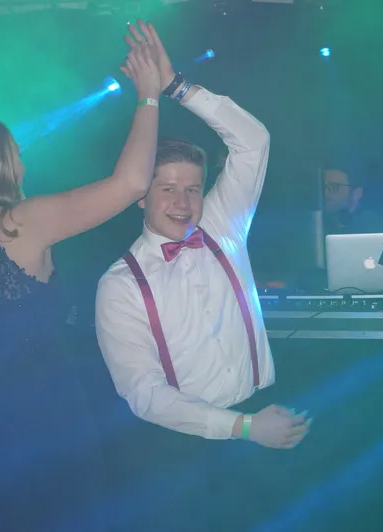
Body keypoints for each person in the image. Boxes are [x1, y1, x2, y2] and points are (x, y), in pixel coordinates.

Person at [0, 22, 161, 531]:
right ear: (4, 164)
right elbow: (133, 182)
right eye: (18, 154)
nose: (24, 163)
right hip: (42, 435)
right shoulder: (20, 223)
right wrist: (149, 96)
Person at [94, 22, 312, 530]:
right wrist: (243, 428)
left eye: (192, 188)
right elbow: (145, 394)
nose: (183, 201)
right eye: (167, 188)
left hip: (265, 423)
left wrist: (176, 87)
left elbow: (253, 141)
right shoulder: (120, 284)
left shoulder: (223, 225)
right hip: (186, 453)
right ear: (141, 195)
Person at [323, 166, 383, 234]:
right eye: (323, 187)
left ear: (358, 193)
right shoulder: (320, 225)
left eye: (334, 186)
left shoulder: (375, 225)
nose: (325, 192)